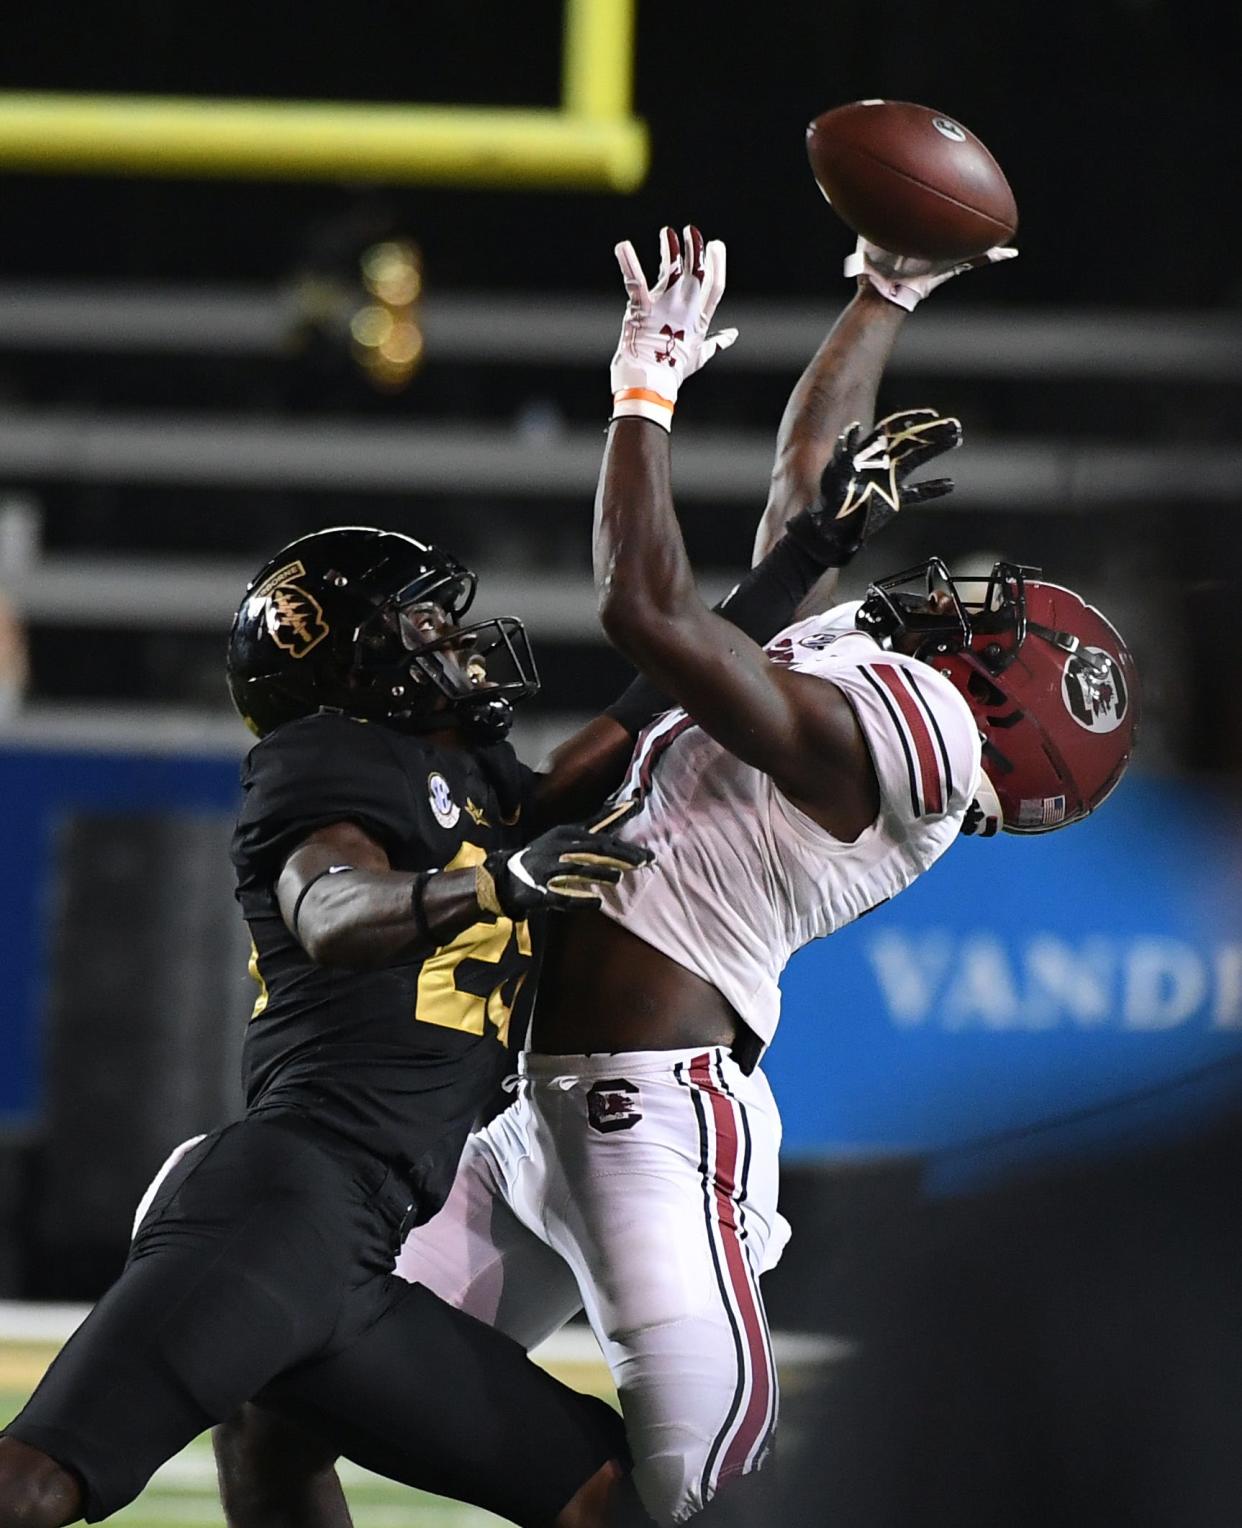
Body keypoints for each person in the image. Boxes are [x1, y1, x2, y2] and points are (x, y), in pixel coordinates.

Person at [212, 225, 1133, 1527]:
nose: (968, 600)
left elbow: (647, 612)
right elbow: (801, 482)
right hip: (534, 1113)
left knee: (708, 1502)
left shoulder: (912, 750)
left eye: (1001, 628)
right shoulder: (870, 674)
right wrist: (884, 290)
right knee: (278, 1402)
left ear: (1000, 706)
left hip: (655, 1130)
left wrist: (641, 399)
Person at [0, 270, 944, 1522]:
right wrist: (484, 885)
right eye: (419, 627)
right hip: (282, 1201)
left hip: (372, 1239)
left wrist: (812, 551)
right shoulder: (323, 759)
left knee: (596, 1493)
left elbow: (638, 714)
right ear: (348, 662)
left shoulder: (462, 771)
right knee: (39, 1480)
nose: (456, 640)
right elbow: (333, 907)